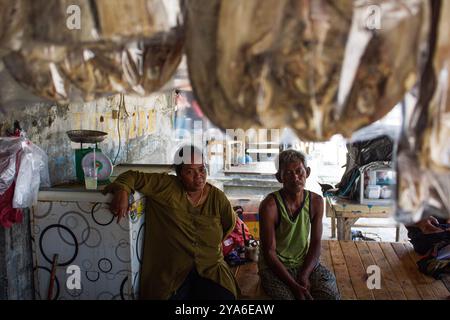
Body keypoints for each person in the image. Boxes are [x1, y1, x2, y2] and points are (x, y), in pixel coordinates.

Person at [104, 145, 238, 300]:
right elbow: (132, 176)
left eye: (202, 169)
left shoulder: (218, 198)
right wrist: (122, 190)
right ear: (179, 174)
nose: (199, 176)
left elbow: (229, 224)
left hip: (211, 269)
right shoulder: (166, 186)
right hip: (172, 274)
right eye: (190, 171)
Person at [258, 149, 340, 300]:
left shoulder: (315, 201)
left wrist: (304, 275)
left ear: (307, 172)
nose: (295, 177)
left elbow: (315, 243)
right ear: (279, 177)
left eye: (299, 171)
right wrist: (294, 285)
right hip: (275, 267)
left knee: (330, 295)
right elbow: (269, 253)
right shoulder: (270, 206)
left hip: (303, 263)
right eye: (288, 173)